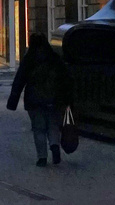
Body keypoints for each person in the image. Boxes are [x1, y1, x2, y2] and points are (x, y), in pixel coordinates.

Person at [6, 32, 72, 166]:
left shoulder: (29, 60)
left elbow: (19, 80)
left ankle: (42, 157)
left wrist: (13, 101)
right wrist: (68, 98)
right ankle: (54, 145)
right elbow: (65, 79)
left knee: (39, 128)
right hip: (54, 99)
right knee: (53, 125)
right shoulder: (54, 58)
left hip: (34, 100)